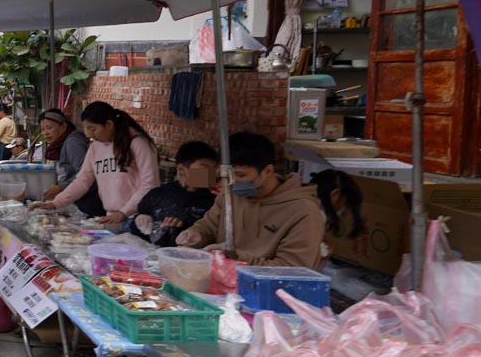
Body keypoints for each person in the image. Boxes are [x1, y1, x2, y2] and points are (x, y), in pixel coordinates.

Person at [177, 132, 326, 269]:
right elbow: (209, 226)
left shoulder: (303, 212)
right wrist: (196, 234)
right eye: (226, 176)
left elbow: (293, 271)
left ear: (267, 171)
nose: (232, 182)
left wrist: (236, 257)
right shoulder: (229, 195)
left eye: (240, 175)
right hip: (222, 284)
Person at [32, 101, 159, 226]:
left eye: (92, 129)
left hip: (137, 219)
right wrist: (55, 203)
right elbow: (82, 181)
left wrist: (124, 213)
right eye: (86, 129)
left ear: (109, 124)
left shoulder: (138, 144)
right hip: (110, 217)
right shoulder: (95, 147)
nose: (88, 134)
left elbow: (150, 185)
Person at [129, 141, 219, 247]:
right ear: (181, 169)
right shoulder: (158, 194)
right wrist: (140, 221)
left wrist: (182, 229)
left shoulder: (213, 202)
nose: (211, 174)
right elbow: (136, 230)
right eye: (204, 168)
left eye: (213, 168)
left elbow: (211, 234)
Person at [33, 109, 104, 217]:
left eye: (49, 128)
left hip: (87, 202)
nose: (45, 132)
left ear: (63, 126)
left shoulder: (73, 143)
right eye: (42, 129)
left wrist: (61, 187)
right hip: (77, 198)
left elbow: (85, 175)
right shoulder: (63, 143)